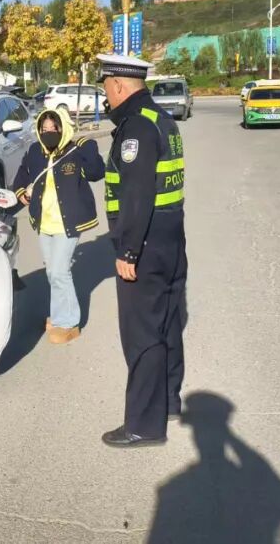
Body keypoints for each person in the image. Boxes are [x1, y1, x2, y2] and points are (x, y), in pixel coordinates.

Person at [96, 53, 188, 448]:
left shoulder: (135, 127)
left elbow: (137, 195)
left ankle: (144, 426)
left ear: (118, 85)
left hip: (145, 243)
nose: (106, 96)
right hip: (171, 236)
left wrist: (128, 251)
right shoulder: (161, 118)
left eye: (106, 88)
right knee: (167, 322)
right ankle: (168, 401)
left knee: (142, 333)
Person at [11, 107, 105, 343]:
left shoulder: (75, 151)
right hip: (44, 222)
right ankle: (58, 315)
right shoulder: (35, 151)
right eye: (44, 129)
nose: (48, 133)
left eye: (54, 128)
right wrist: (21, 191)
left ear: (63, 128)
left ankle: (69, 322)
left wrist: (88, 145)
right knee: (52, 272)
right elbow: (22, 174)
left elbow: (96, 172)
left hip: (68, 222)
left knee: (60, 272)